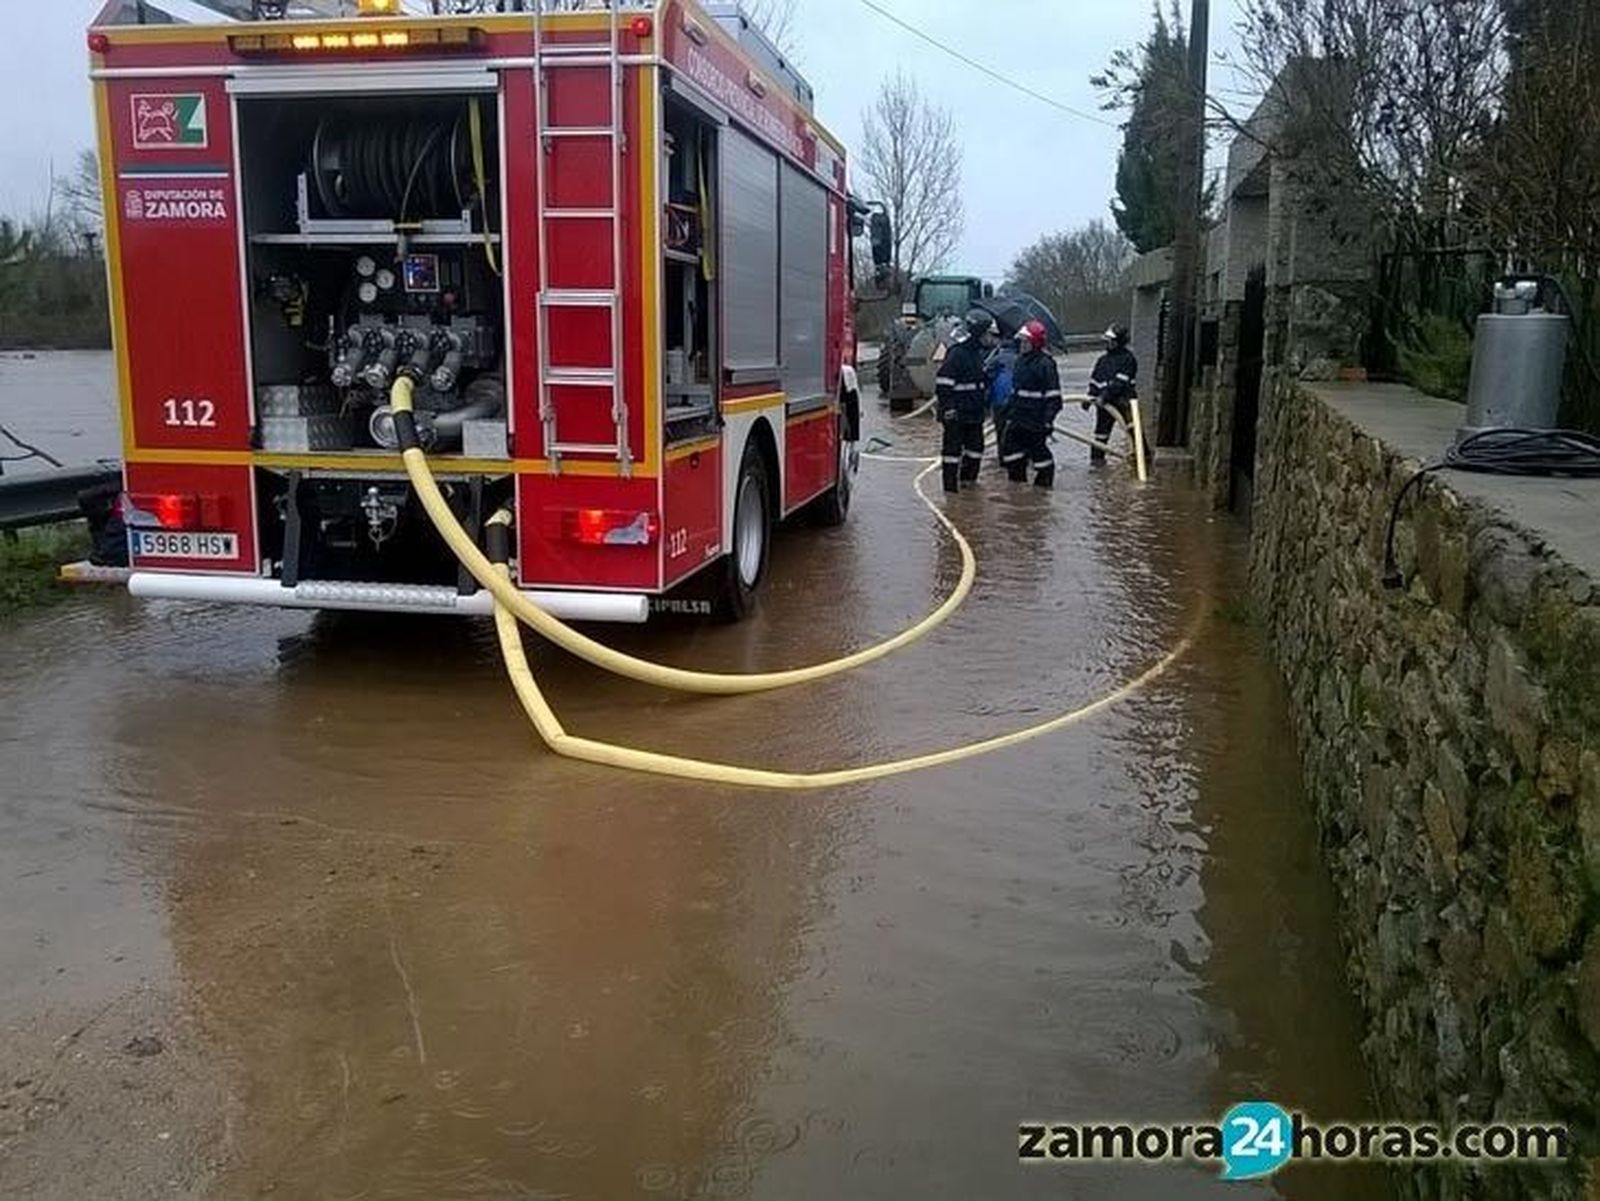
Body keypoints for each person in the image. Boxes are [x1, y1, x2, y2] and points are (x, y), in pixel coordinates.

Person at [936, 309, 996, 493]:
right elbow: (944, 384)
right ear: (978, 333)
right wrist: (948, 408)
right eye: (988, 333)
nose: (990, 338)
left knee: (976, 451)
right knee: (952, 454)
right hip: (956, 415)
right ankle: (951, 493)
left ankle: (969, 489)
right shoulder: (957, 354)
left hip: (974, 414)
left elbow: (979, 383)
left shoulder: (978, 355)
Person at [1001, 320, 1064, 488]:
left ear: (1035, 342)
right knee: (1011, 453)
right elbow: (1017, 391)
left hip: (1036, 421)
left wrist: (1047, 421)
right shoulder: (1020, 362)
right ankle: (1017, 489)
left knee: (1040, 456)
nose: (1022, 344)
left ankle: (1043, 490)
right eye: (1021, 341)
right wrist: (1007, 411)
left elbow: (1054, 398)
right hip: (1018, 418)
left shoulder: (1046, 364)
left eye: (1025, 341)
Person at [1084, 324, 1139, 465]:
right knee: (1100, 438)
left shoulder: (1128, 359)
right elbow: (1095, 381)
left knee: (1135, 435)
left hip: (1124, 403)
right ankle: (1097, 465)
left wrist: (1104, 396)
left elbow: (1120, 383)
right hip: (1104, 406)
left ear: (1119, 342)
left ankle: (1142, 461)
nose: (1108, 343)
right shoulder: (1102, 361)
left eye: (1111, 340)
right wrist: (1089, 397)